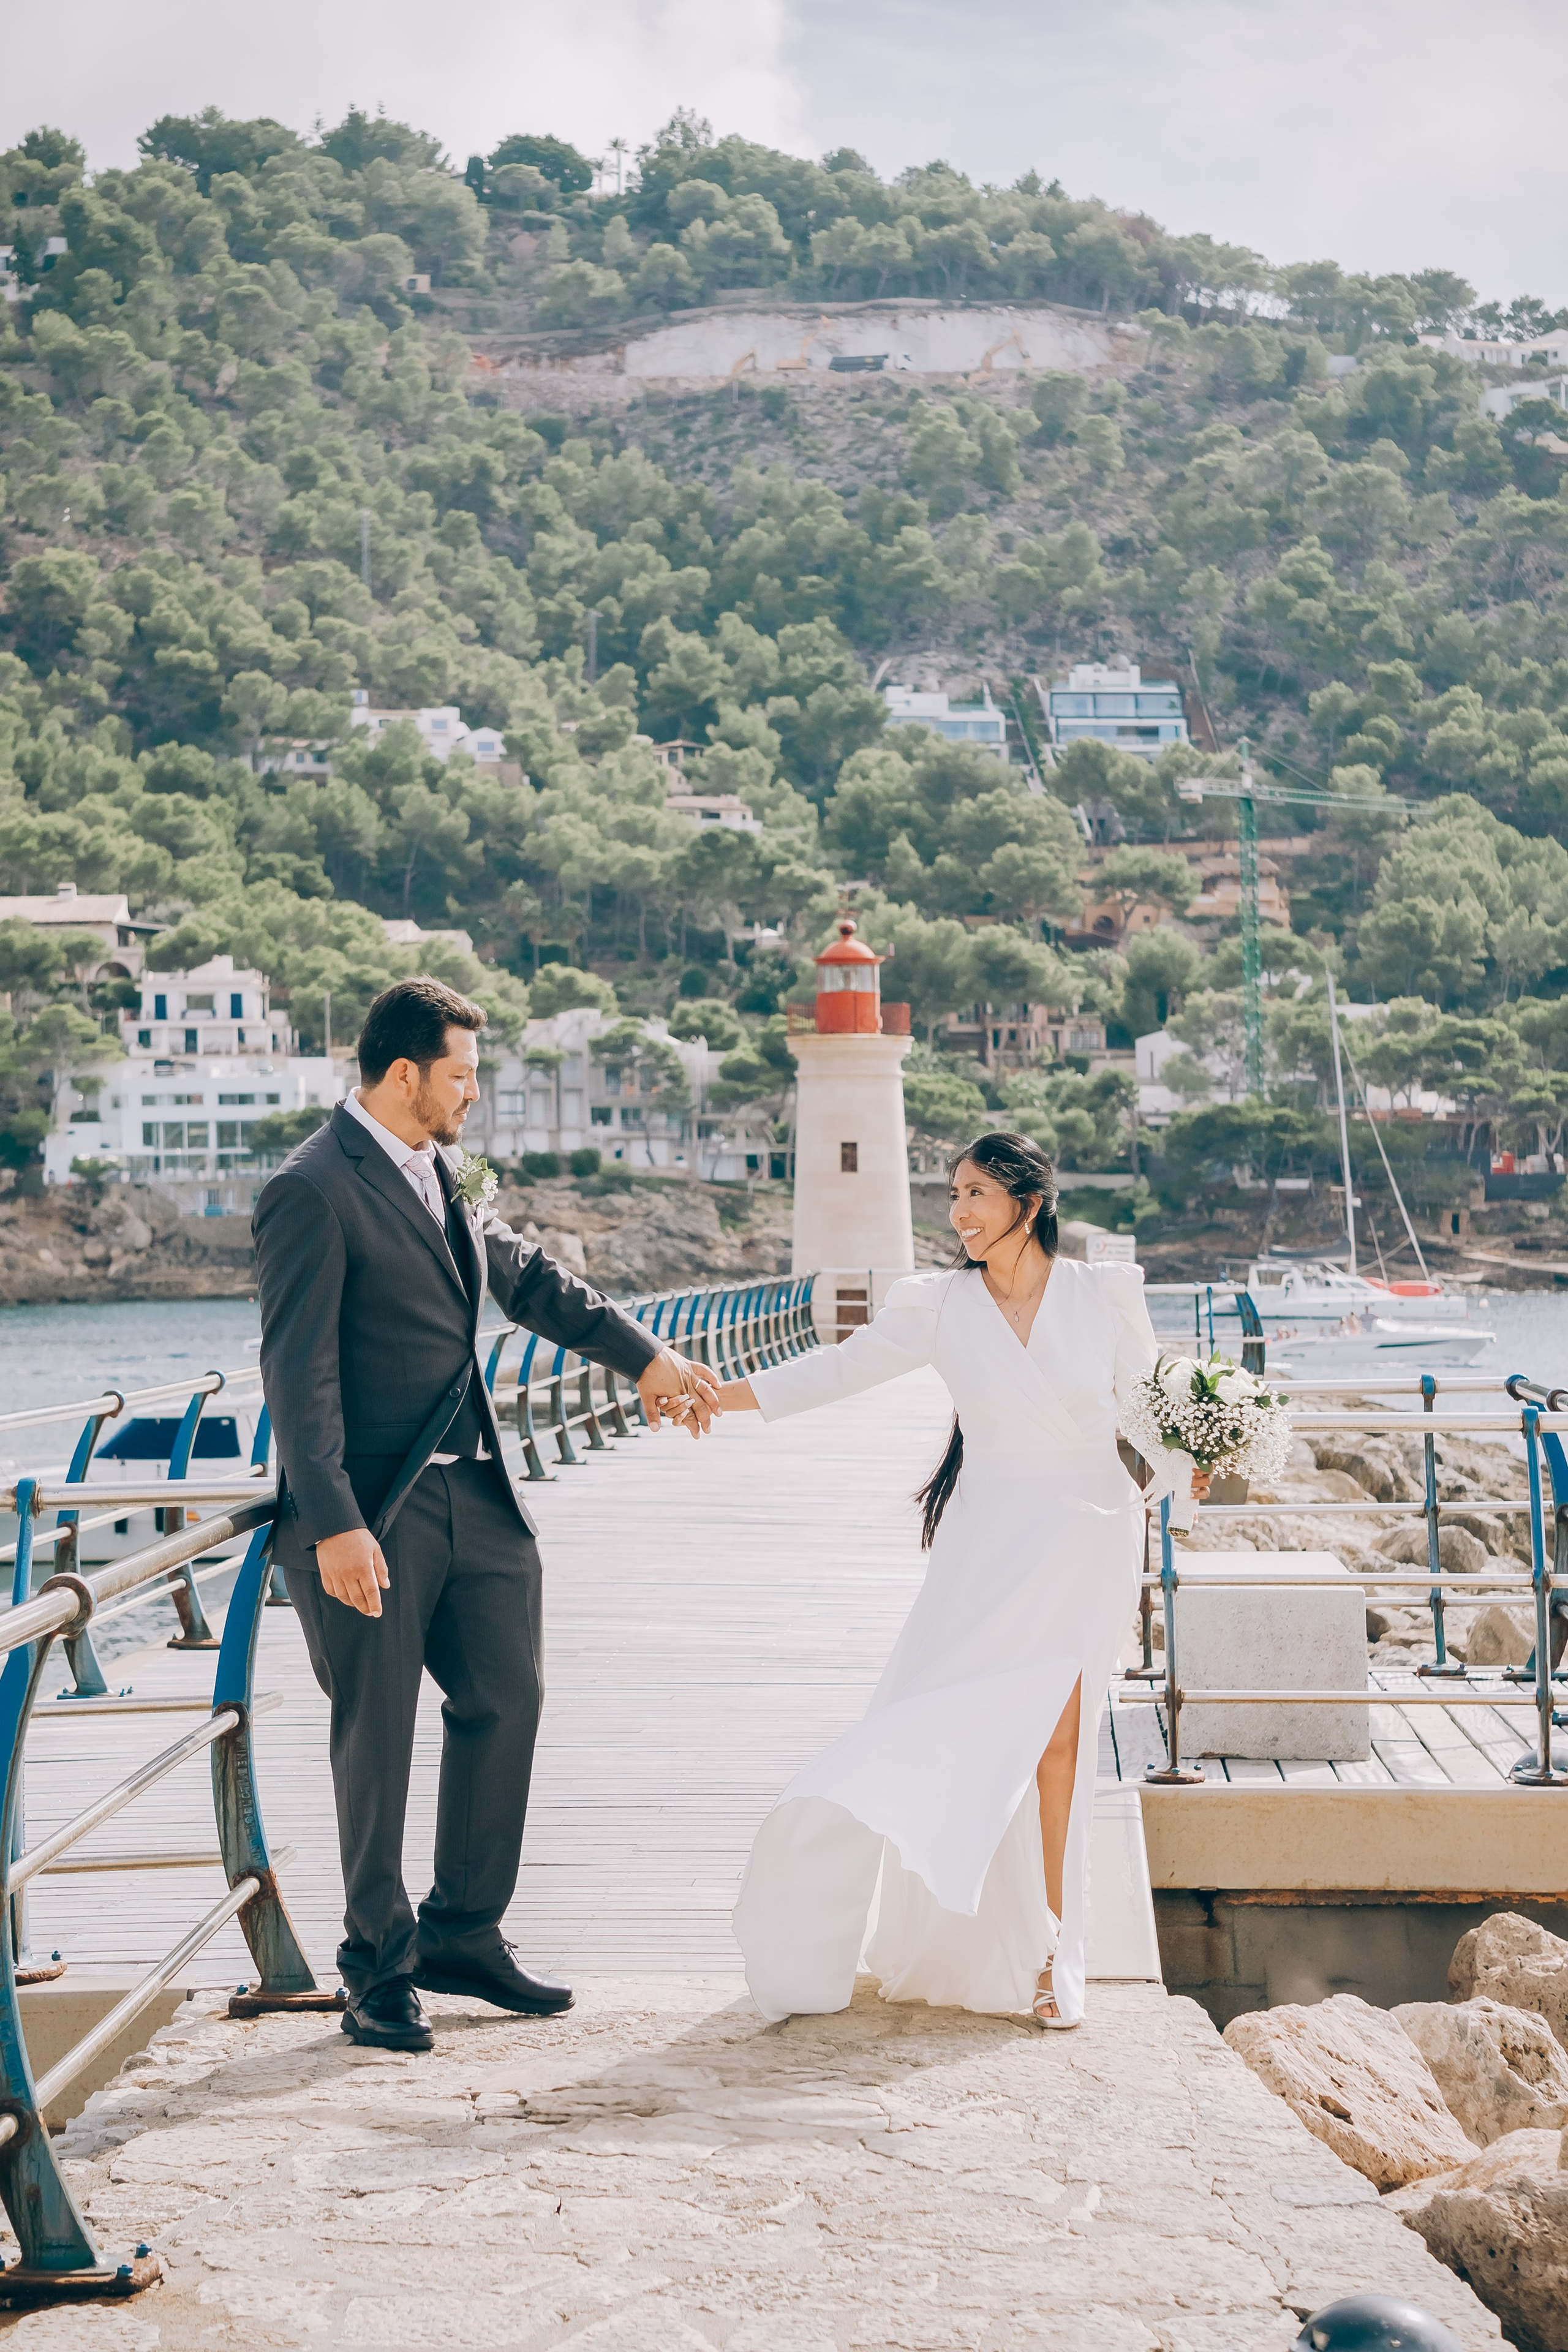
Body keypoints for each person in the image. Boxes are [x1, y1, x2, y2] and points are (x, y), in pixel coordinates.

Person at [254, 976, 718, 2052]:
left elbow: (532, 1281)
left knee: (506, 1698)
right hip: (373, 1515)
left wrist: (647, 1356)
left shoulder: (442, 1171)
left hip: (479, 1495)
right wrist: (331, 1522)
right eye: (462, 1074)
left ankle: (463, 1932)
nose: (474, 1093)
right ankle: (376, 1968)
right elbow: (297, 1375)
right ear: (406, 1074)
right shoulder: (311, 1189)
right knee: (376, 1737)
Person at [710, 1130, 1202, 2029]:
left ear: (1029, 1199)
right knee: (929, 1718)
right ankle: (832, 1870)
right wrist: (718, 1394)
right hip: (986, 1547)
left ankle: (1055, 1953)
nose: (959, 1213)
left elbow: (1154, 1410)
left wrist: (1192, 1463)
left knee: (1059, 1746)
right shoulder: (938, 1305)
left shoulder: (1103, 1295)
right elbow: (838, 1370)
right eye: (951, 1196)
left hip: (1088, 1536)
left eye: (975, 1193)